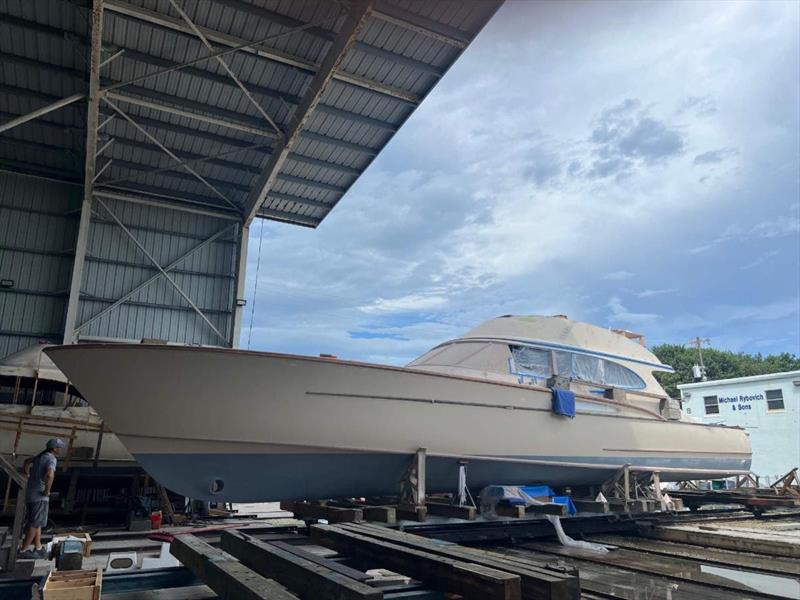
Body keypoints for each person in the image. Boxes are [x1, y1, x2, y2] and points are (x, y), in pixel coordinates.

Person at [18, 438, 65, 558]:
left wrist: (27, 473)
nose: (60, 449)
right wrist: (46, 491)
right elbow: (50, 475)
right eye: (59, 447)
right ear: (54, 448)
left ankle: (38, 547)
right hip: (39, 496)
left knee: (36, 522)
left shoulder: (40, 456)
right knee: (34, 524)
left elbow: (26, 462)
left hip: (31, 493)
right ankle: (23, 550)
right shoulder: (51, 459)